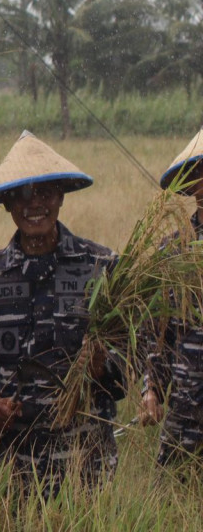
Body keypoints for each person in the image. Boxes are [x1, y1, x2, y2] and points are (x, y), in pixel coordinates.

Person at [0, 131, 124, 498]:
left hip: (87, 468)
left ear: (60, 195)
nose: (35, 204)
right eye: (22, 194)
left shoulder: (102, 267)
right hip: (11, 469)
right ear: (8, 204)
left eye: (44, 192)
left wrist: (104, 366)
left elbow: (135, 357)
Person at [140, 128, 203, 470]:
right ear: (193, 181)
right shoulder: (173, 250)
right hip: (186, 411)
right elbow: (156, 330)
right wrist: (151, 388)